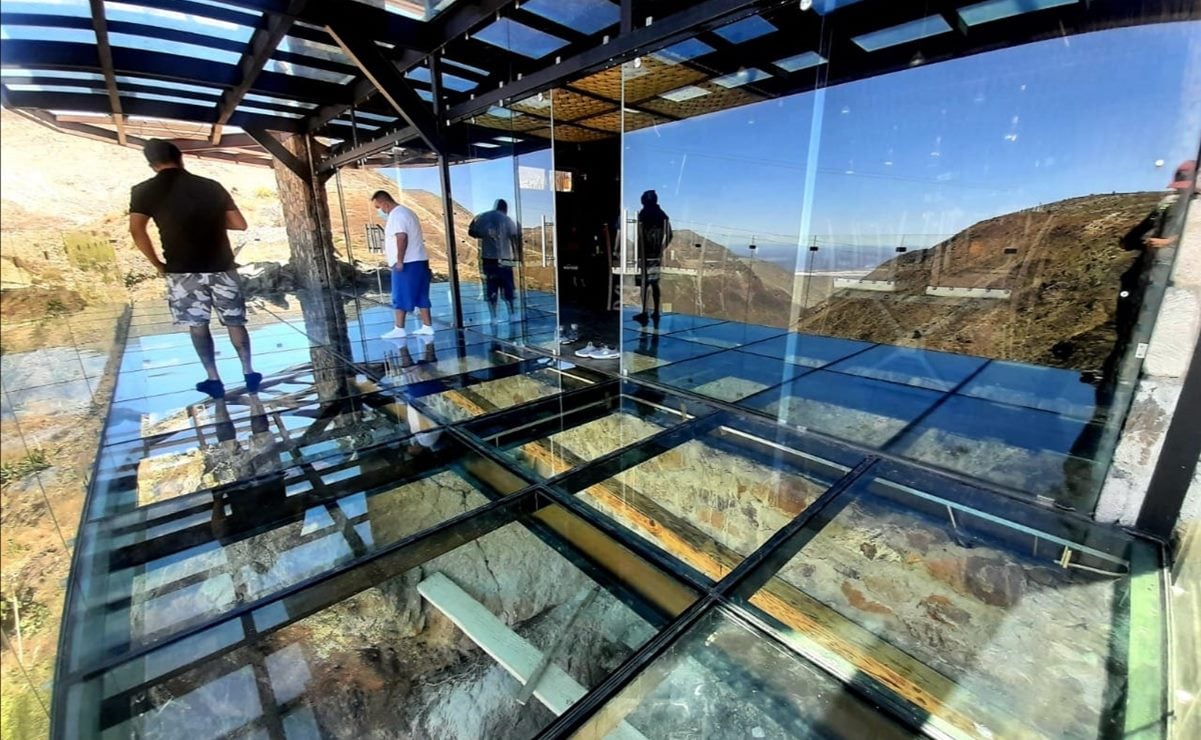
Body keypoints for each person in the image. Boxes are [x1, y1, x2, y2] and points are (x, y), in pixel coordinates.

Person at [129, 139, 260, 399]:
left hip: (182, 270)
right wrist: (209, 219)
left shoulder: (143, 191)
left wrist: (157, 264)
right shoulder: (211, 186)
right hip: (222, 266)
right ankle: (249, 372)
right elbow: (239, 224)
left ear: (152, 164)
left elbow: (137, 230)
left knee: (198, 325)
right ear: (180, 158)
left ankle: (213, 379)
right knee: (235, 322)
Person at [372, 190, 434, 339]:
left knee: (400, 294)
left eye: (378, 207)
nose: (379, 211)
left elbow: (401, 237)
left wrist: (399, 260)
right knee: (421, 294)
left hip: (407, 262)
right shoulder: (408, 212)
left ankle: (399, 328)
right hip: (419, 260)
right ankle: (427, 326)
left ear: (385, 203)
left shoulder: (397, 215)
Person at [468, 198, 521, 322]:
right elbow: (514, 238)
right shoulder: (507, 220)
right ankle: (512, 314)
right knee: (508, 287)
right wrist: (517, 256)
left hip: (488, 259)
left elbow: (472, 232)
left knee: (491, 287)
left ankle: (494, 317)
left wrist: (484, 234)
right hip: (504, 259)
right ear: (505, 209)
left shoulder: (483, 217)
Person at [634, 190, 672, 325]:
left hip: (643, 254)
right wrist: (661, 248)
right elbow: (670, 234)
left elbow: (640, 233)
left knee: (644, 284)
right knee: (655, 283)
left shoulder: (643, 214)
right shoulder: (662, 215)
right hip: (655, 254)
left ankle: (644, 311)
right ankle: (655, 311)